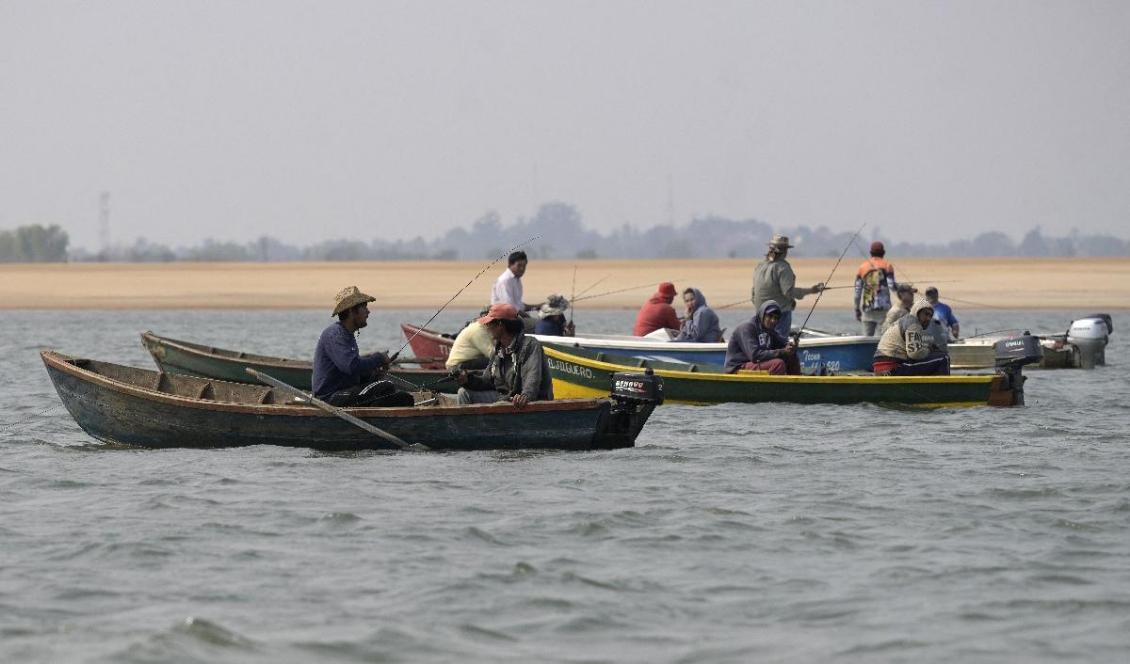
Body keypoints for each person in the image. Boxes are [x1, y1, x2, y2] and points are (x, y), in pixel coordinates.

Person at [312, 286, 415, 407]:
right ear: (352, 311)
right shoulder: (335, 334)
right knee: (386, 386)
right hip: (330, 398)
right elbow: (351, 366)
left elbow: (351, 372)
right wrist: (379, 358)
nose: (368, 311)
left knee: (403, 397)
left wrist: (372, 372)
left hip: (344, 393)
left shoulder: (347, 334)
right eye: (364, 307)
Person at [456, 303, 553, 407]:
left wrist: (525, 396)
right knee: (463, 393)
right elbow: (487, 381)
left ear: (500, 325)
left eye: (490, 324)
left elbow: (532, 378)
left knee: (500, 404)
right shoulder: (498, 350)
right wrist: (468, 380)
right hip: (504, 398)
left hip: (529, 403)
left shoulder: (530, 345)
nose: (487, 327)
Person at [751, 234, 824, 338]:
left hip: (760, 314)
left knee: (764, 341)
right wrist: (812, 290)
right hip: (779, 315)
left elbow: (753, 295)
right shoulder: (783, 267)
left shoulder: (759, 266)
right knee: (779, 342)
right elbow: (788, 292)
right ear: (784, 251)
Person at [872, 298, 950, 376]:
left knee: (932, 359)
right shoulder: (914, 324)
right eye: (926, 314)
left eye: (930, 315)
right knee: (943, 358)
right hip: (892, 368)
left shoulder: (903, 321)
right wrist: (928, 350)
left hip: (881, 368)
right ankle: (943, 387)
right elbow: (915, 354)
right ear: (917, 312)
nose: (928, 318)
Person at [724, 300, 801, 375]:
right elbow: (755, 355)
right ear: (762, 314)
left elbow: (784, 345)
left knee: (791, 355)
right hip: (738, 367)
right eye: (770, 316)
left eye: (776, 318)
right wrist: (783, 351)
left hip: (755, 364)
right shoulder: (747, 328)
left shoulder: (770, 330)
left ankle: (798, 383)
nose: (773, 320)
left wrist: (792, 346)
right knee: (778, 364)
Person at [853, 240, 897, 336]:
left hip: (867, 308)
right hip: (884, 309)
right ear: (883, 253)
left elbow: (857, 292)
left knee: (866, 339)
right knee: (883, 340)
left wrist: (856, 309)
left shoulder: (862, 267)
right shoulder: (887, 266)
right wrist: (904, 291)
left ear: (871, 253)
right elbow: (892, 286)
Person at [445, 307, 495, 371]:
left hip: (466, 361)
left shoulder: (482, 327)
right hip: (457, 366)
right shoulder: (478, 330)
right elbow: (491, 353)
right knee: (495, 361)